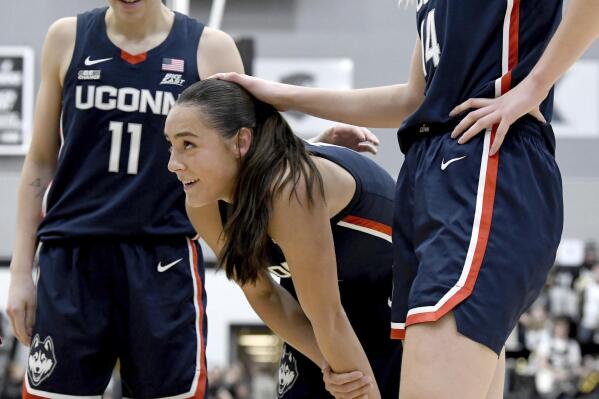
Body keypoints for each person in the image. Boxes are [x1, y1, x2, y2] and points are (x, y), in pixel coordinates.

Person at [214, 1, 599, 398]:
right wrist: (283, 96)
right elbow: (413, 101)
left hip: (481, 163)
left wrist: (535, 86)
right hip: (427, 173)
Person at [5, 1, 377, 397]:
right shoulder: (66, 37)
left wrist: (311, 149)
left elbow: (246, 138)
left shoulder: (210, 47)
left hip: (163, 257)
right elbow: (41, 161)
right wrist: (19, 272)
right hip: (73, 255)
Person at [165, 79, 402, 399]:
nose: (173, 163)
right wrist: (327, 365)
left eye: (188, 144)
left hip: (394, 308)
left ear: (241, 142)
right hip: (317, 314)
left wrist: (348, 379)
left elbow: (329, 316)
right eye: (171, 145)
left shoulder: (290, 187)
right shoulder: (202, 204)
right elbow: (264, 295)